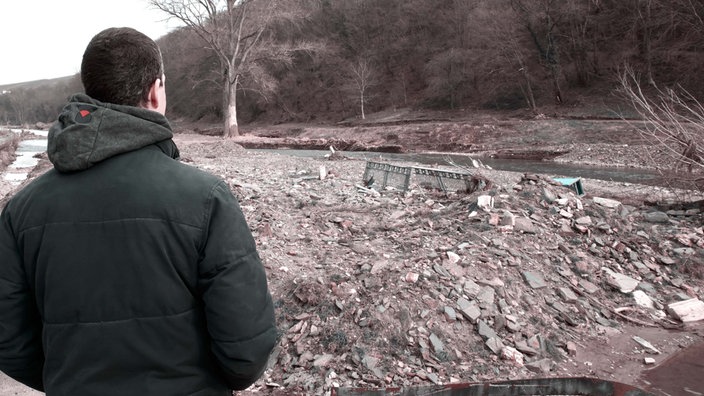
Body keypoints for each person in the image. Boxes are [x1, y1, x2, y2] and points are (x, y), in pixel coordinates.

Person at [0, 27, 277, 395]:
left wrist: (67, 378)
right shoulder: (207, 198)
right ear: (154, 90)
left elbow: (8, 340)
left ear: (91, 91)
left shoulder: (22, 210)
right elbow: (247, 352)